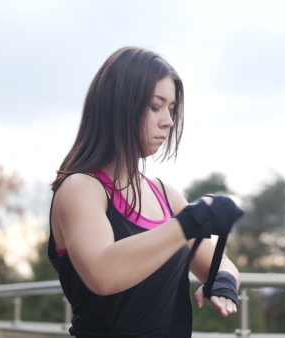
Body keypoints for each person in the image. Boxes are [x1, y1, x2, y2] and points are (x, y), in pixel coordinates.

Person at [48, 46, 244, 338]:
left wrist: (224, 282)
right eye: (155, 106)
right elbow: (103, 274)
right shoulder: (81, 187)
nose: (168, 121)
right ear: (119, 105)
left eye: (172, 109)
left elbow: (221, 262)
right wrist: (189, 222)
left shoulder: (166, 194)